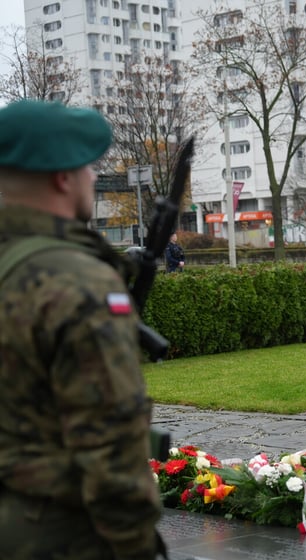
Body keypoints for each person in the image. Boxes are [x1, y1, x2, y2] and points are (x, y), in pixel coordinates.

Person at [0, 100, 162, 557]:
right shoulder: (75, 279)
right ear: (62, 176)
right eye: (89, 167)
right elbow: (111, 435)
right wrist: (135, 544)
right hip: (55, 536)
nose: (94, 178)